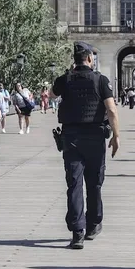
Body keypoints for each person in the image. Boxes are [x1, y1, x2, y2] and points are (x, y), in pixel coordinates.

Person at [50, 41, 120, 249]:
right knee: (94, 183)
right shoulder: (100, 80)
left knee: (74, 184)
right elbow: (112, 110)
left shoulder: (65, 79)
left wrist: (64, 78)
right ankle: (93, 224)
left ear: (75, 59)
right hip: (95, 138)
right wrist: (117, 136)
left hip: (71, 138)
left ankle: (77, 231)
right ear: (90, 58)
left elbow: (52, 95)